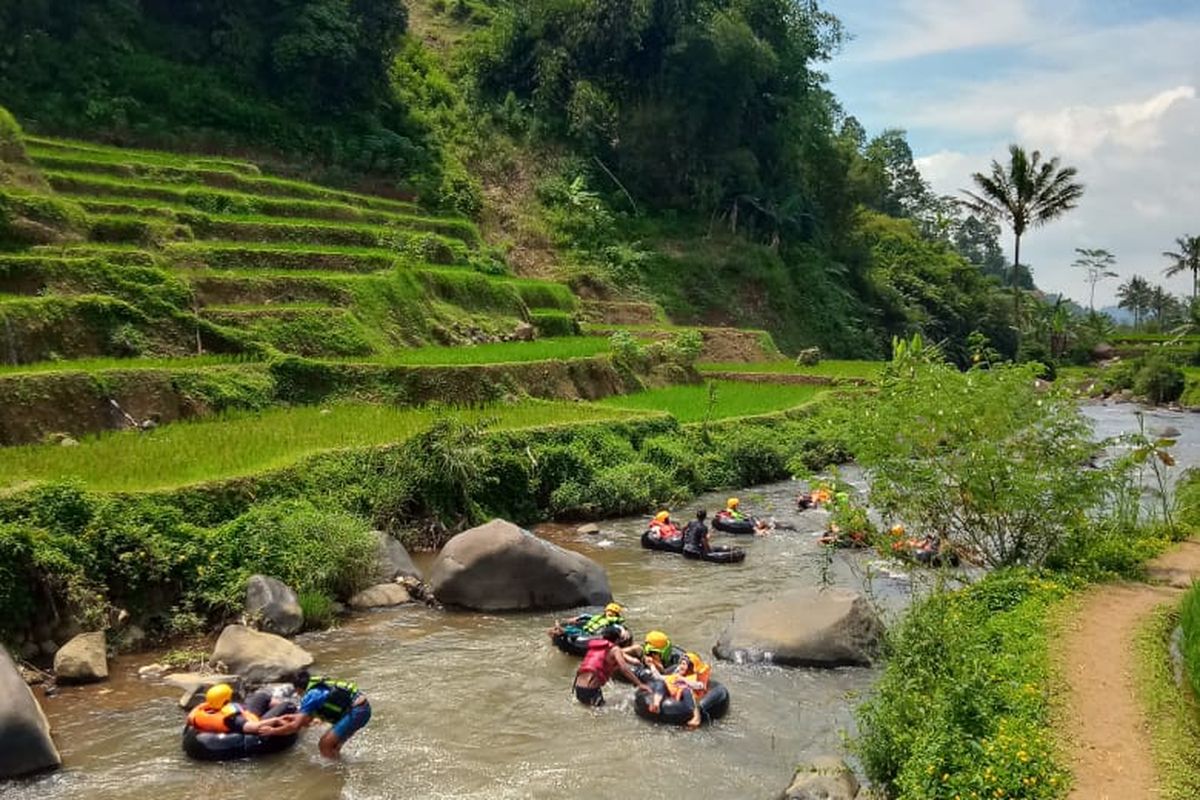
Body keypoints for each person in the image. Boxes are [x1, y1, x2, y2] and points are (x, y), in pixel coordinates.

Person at [268, 671, 371, 759]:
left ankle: (335, 774)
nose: (297, 694)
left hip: (357, 711)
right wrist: (294, 718)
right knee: (334, 746)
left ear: (298, 688)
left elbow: (295, 727)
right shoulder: (318, 687)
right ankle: (339, 765)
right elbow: (306, 721)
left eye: (297, 691)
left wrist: (272, 731)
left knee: (325, 745)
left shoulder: (312, 695)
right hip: (361, 708)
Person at [573, 626, 652, 706]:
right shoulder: (615, 649)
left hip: (578, 687)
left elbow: (629, 659)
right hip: (591, 690)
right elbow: (624, 669)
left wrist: (637, 662)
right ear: (617, 639)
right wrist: (640, 684)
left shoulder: (596, 646)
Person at [185, 683, 293, 737]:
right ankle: (289, 710)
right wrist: (275, 720)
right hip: (254, 722)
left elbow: (190, 718)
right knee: (287, 705)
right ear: (227, 700)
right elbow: (254, 727)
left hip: (246, 714)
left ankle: (270, 705)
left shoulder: (202, 711)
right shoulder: (233, 719)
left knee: (261, 696)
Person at [646, 651, 712, 729]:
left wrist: (684, 680)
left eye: (684, 664)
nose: (680, 666)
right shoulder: (676, 676)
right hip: (673, 696)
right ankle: (656, 704)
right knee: (661, 683)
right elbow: (659, 677)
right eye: (680, 664)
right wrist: (651, 665)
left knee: (686, 690)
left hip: (687, 700)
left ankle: (696, 717)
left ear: (691, 667)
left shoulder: (694, 678)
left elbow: (699, 686)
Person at [547, 602, 625, 640]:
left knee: (576, 633)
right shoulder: (598, 617)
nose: (610, 613)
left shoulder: (614, 621)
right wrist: (576, 618)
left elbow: (618, 626)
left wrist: (623, 631)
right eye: (609, 611)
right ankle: (558, 631)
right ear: (605, 611)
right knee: (575, 630)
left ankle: (562, 631)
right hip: (586, 631)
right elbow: (586, 616)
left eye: (613, 613)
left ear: (616, 615)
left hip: (593, 636)